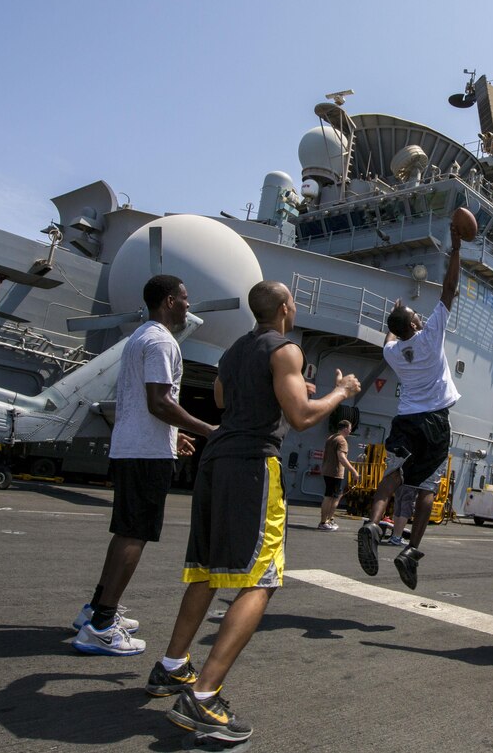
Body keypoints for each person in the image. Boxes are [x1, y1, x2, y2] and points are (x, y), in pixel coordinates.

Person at [149, 280, 360, 743]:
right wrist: (340, 391)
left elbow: (224, 401)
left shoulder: (235, 349)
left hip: (216, 460)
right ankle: (204, 697)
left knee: (206, 570)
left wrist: (279, 388)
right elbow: (303, 417)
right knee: (260, 580)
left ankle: (172, 666)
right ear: (285, 307)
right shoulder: (286, 350)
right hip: (251, 466)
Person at [72, 275, 216, 657]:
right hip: (145, 454)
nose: (189, 305)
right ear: (169, 301)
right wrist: (206, 430)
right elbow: (159, 402)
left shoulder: (140, 336)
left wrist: (175, 435)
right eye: (185, 298)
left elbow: (143, 402)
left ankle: (98, 607)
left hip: (135, 446)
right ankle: (101, 626)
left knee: (124, 532)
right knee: (135, 535)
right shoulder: (161, 341)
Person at [356, 218, 464, 589]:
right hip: (435, 421)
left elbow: (390, 334)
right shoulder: (430, 335)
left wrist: (397, 313)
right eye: (416, 317)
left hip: (405, 420)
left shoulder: (393, 352)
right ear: (417, 324)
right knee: (426, 489)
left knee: (392, 476)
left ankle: (372, 524)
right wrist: (457, 249)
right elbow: (449, 289)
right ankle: (410, 551)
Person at [318, 419, 359, 530]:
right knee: (330, 497)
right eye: (350, 428)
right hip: (335, 472)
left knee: (334, 496)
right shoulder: (342, 441)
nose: (350, 431)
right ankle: (324, 522)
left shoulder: (331, 438)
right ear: (345, 428)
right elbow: (341, 457)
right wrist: (354, 471)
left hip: (327, 470)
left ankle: (329, 519)